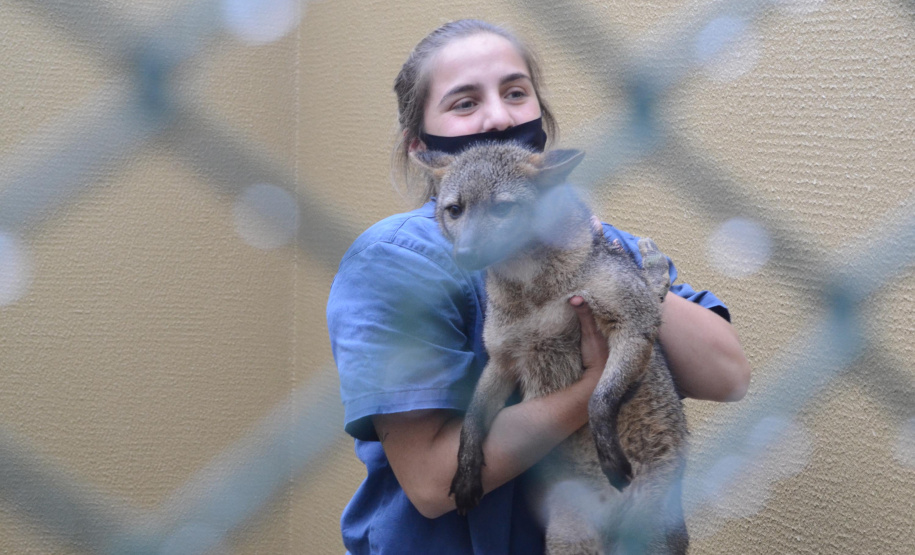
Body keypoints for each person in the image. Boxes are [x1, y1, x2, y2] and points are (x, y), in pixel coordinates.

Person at [326, 19, 751, 554]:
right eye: (465, 102)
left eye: (515, 92)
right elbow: (434, 483)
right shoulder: (397, 259)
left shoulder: (594, 238)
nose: (499, 117)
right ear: (421, 146)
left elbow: (728, 375)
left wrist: (603, 259)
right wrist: (592, 388)